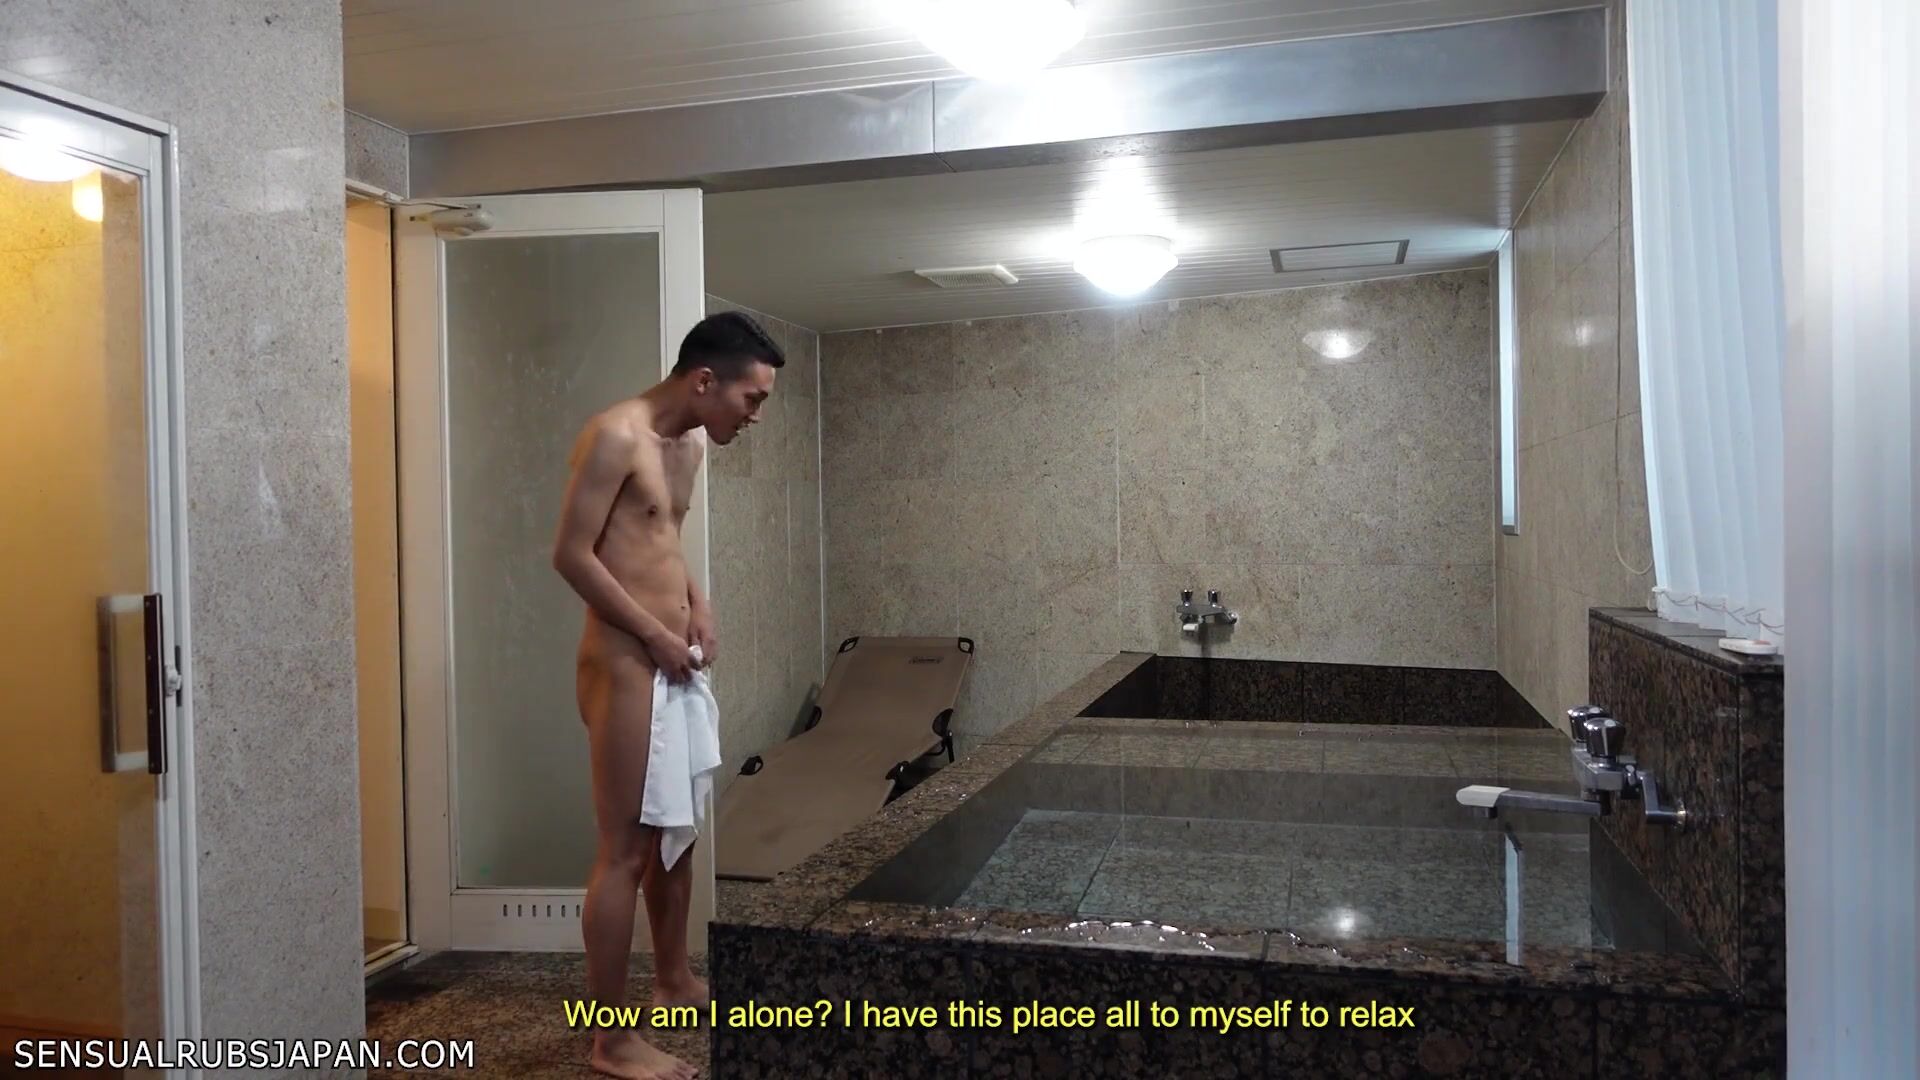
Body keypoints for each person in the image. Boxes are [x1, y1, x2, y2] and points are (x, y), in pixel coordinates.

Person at [551, 311, 782, 1080]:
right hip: (623, 663)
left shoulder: (690, 446)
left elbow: (663, 539)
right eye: (752, 399)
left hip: (674, 663)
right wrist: (653, 634)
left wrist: (698, 604)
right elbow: (572, 555)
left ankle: (675, 980)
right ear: (705, 380)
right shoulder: (614, 435)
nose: (754, 416)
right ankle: (611, 1041)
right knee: (624, 851)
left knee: (675, 834)